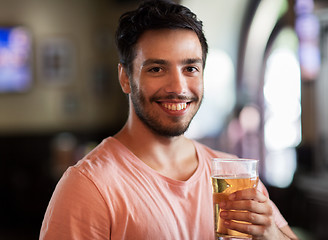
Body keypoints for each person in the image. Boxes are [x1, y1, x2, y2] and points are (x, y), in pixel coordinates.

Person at [40, 0, 298, 239]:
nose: (178, 86)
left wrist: (270, 235)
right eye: (156, 69)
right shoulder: (87, 186)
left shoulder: (233, 174)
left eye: (190, 69)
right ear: (125, 78)